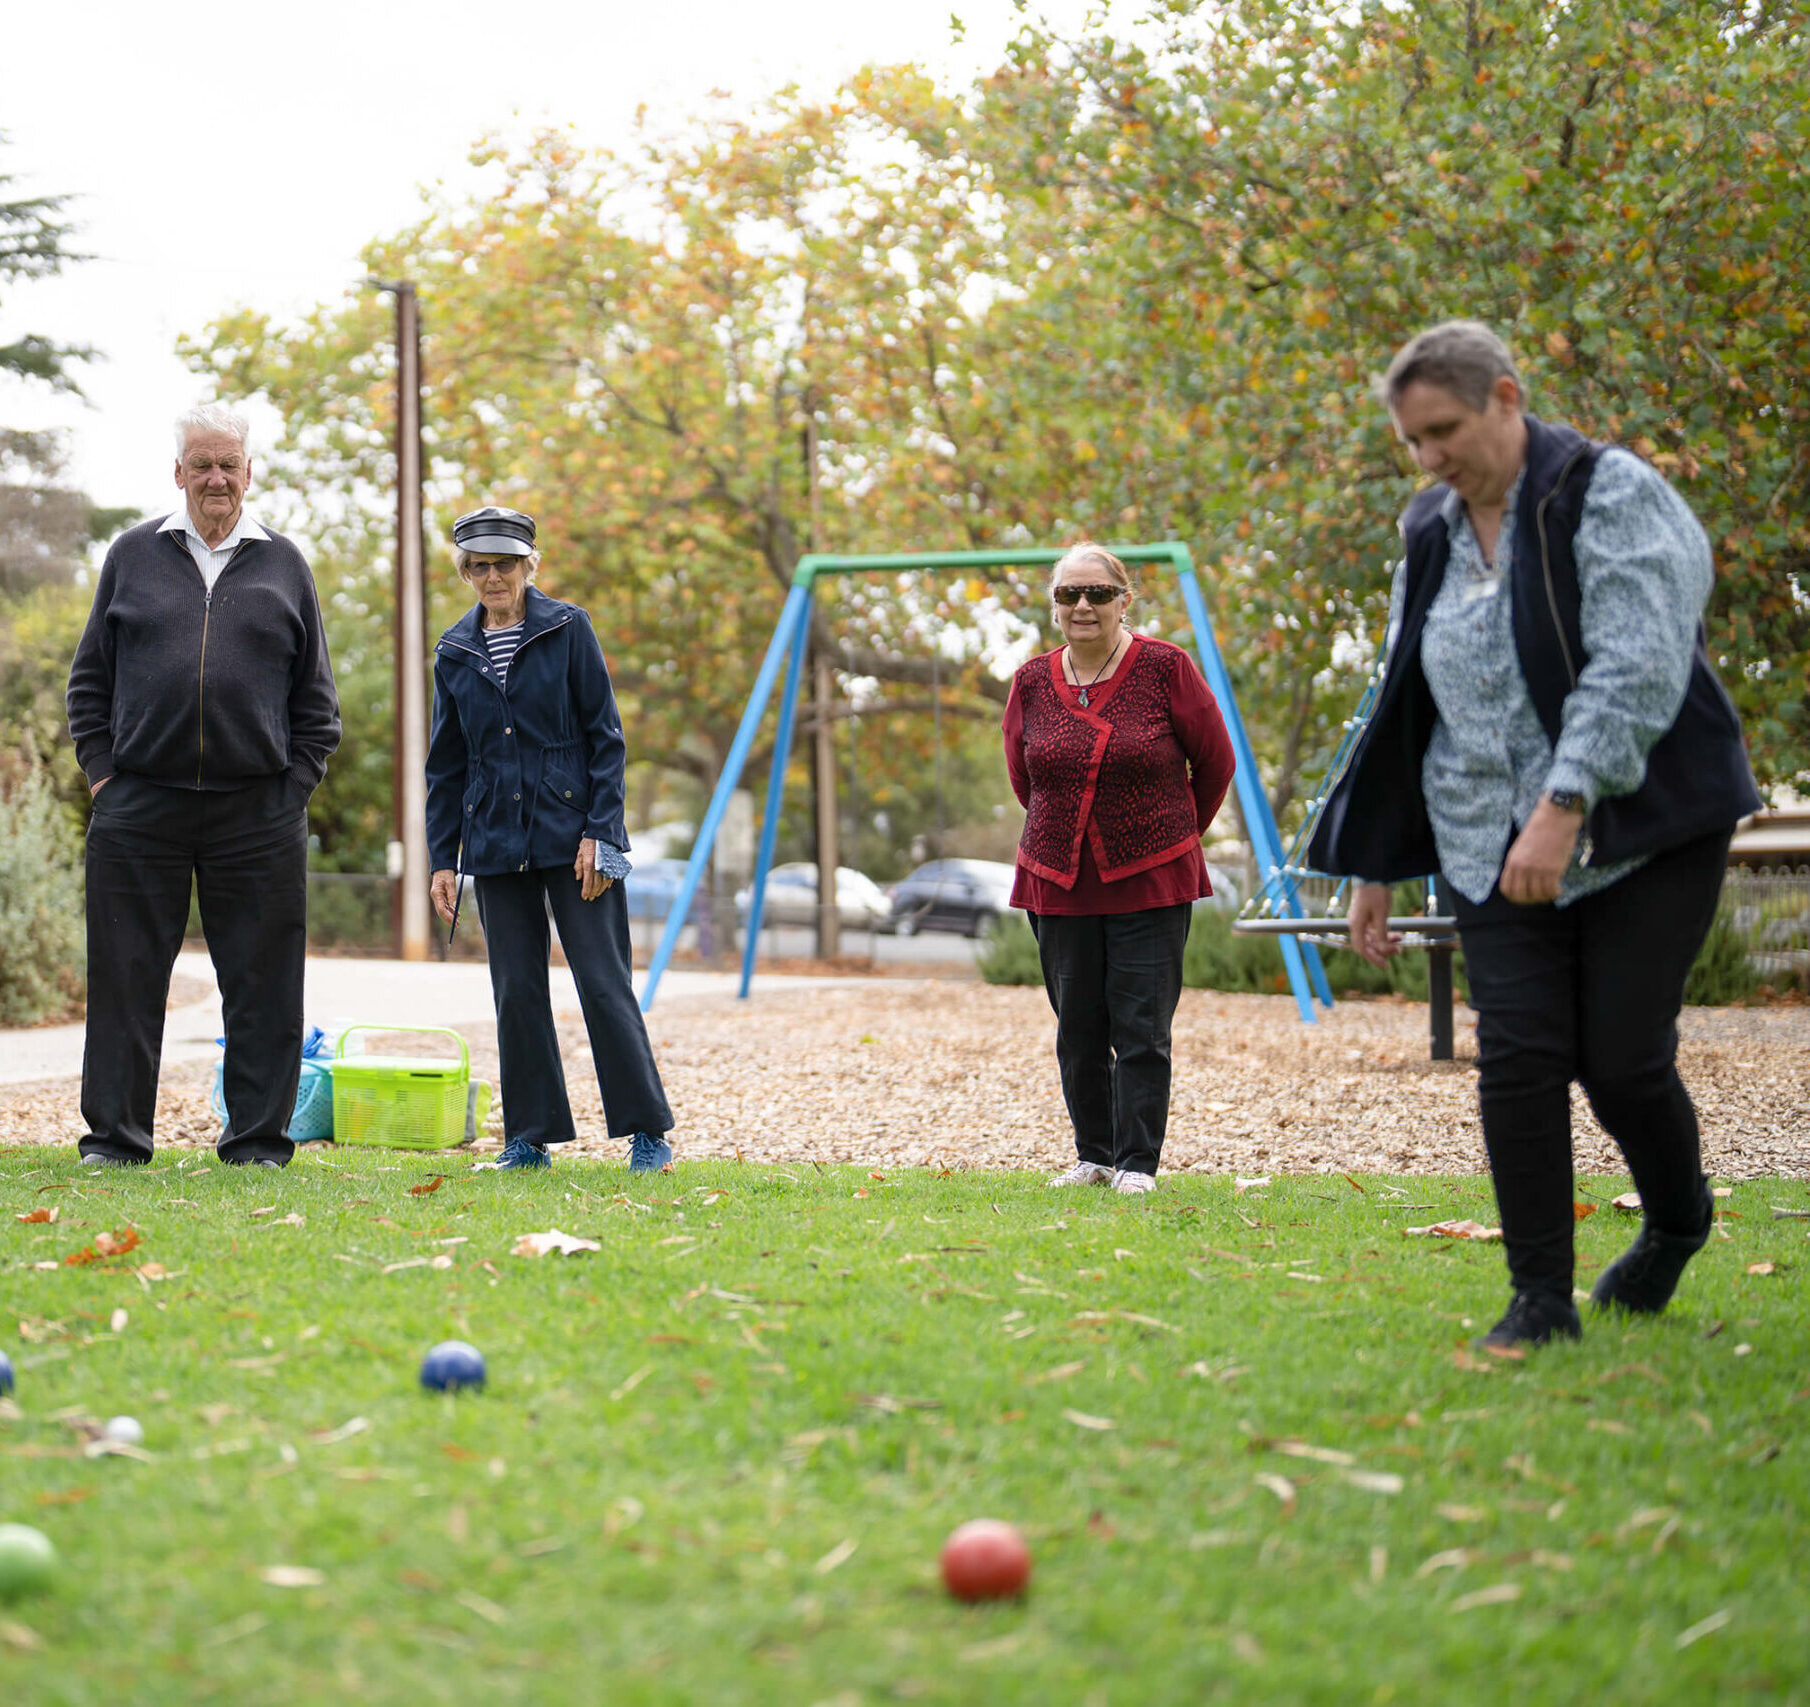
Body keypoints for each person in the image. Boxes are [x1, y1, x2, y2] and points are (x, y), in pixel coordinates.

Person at [1311, 321, 1761, 1349]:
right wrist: (1376, 860)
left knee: (1619, 1060)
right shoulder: (1430, 526)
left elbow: (1639, 664)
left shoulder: (1610, 495)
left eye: (1444, 430)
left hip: (1642, 826)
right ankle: (1539, 1303)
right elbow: (1405, 694)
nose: (1429, 458)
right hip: (1482, 836)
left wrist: (1562, 808)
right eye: (1411, 441)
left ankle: (1677, 1221)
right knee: (1517, 1056)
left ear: (1506, 400)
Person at [66, 403, 341, 1169]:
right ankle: (115, 1141)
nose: (215, 478)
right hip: (138, 804)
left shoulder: (285, 564)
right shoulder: (131, 555)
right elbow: (89, 682)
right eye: (202, 464)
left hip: (257, 810)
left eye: (229, 465)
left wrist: (292, 790)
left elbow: (316, 704)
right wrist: (105, 776)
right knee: (125, 978)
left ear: (249, 474)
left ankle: (257, 1143)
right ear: (178, 473)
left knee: (263, 986)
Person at [426, 506, 675, 1173]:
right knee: (517, 989)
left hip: (575, 839)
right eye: (480, 566)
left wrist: (602, 832)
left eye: (504, 564)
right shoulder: (453, 651)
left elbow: (606, 737)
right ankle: (528, 1139)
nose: (492, 577)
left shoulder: (569, 628)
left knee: (602, 982)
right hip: (494, 843)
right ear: (467, 571)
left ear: (528, 566)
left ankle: (648, 1132)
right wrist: (441, 859)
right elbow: (445, 764)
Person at [1003, 544, 1236, 1195]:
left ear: (1123, 599)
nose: (1083, 605)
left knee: (1141, 1026)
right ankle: (1093, 1156)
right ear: (1054, 605)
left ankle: (1137, 1163)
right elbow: (1026, 777)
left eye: (1098, 593)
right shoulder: (1028, 680)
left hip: (1151, 879)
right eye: (1069, 594)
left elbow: (1215, 762)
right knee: (1077, 1027)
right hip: (1057, 878)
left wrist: (1177, 834)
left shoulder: (1167, 667)